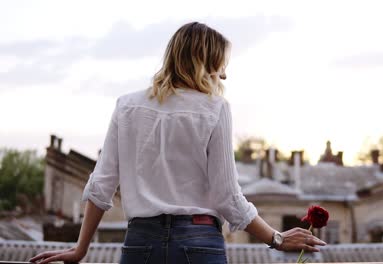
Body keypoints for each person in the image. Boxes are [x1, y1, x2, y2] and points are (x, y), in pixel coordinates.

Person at [29, 21, 326, 264]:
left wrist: (80, 249)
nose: (225, 74)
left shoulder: (127, 106)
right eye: (222, 64)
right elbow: (227, 196)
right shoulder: (215, 108)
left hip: (140, 243)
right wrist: (276, 238)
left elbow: (102, 183)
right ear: (207, 62)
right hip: (199, 244)